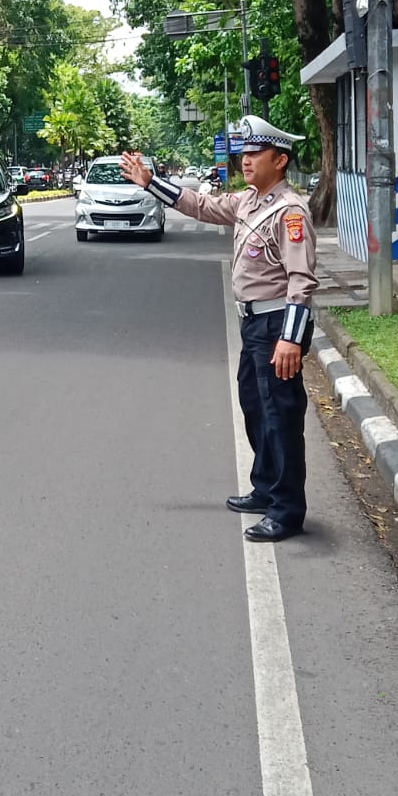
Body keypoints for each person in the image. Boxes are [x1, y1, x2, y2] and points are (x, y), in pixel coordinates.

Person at [121, 115, 318, 542]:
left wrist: (290, 338)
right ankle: (265, 489)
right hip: (254, 324)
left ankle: (287, 511)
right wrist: (151, 183)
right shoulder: (248, 201)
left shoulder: (289, 211)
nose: (246, 161)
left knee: (280, 416)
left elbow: (301, 280)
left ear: (280, 160)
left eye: (255, 153)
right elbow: (201, 206)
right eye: (244, 154)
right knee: (256, 408)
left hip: (276, 324)